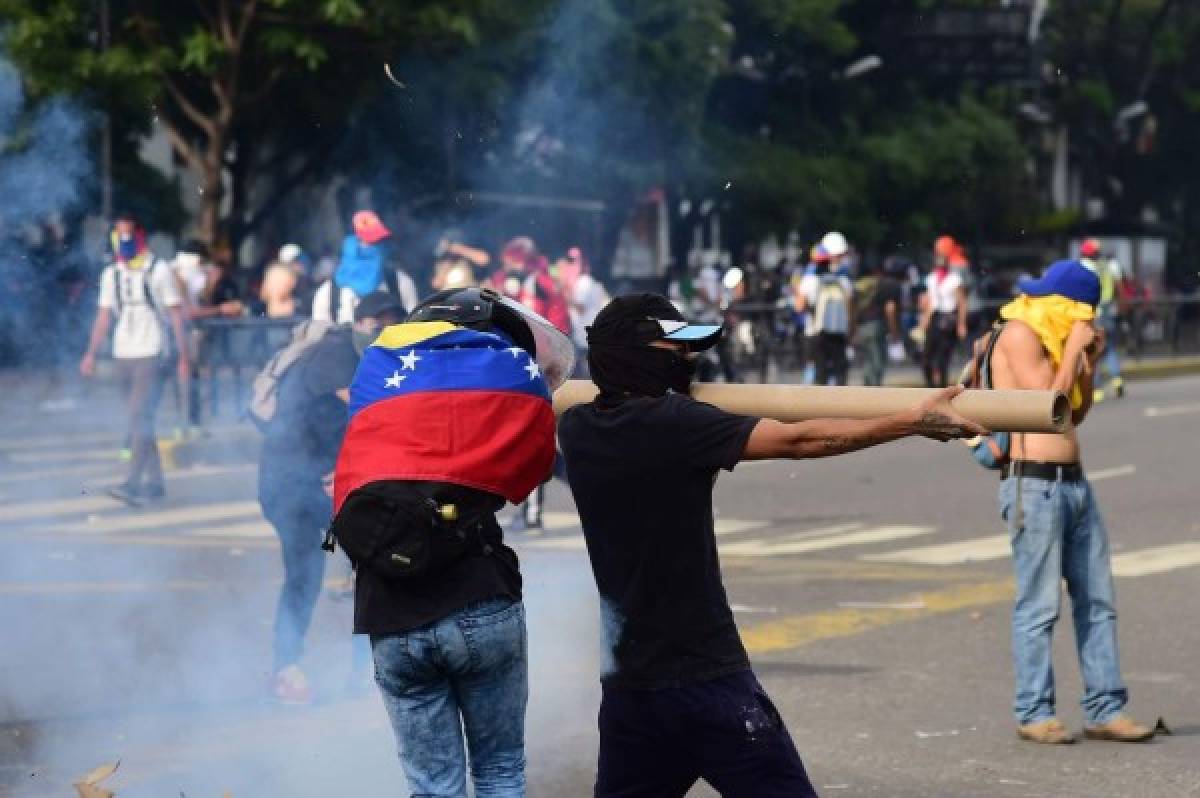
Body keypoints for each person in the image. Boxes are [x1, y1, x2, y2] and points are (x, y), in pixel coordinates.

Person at [558, 293, 986, 797]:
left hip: (630, 688)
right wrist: (910, 420)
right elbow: (799, 440)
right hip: (706, 680)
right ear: (635, 355)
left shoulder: (577, 428)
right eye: (673, 351)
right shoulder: (677, 424)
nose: (687, 362)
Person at [333, 287, 573, 796]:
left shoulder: (379, 372)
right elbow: (529, 476)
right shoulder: (503, 382)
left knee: (433, 788)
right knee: (500, 771)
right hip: (479, 601)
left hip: (389, 615)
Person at [990, 259, 1153, 745]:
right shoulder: (1019, 334)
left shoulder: (1057, 340)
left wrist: (1089, 361)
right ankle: (1033, 710)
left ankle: (1106, 708)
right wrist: (1072, 353)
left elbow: (1073, 414)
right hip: (1033, 484)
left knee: (1098, 601)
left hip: (1074, 483)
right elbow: (1045, 407)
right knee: (1039, 606)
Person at [258, 291, 407, 704]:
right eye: (378, 322)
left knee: (373, 565)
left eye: (394, 322)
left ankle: (368, 671)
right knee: (304, 573)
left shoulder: (369, 356)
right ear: (359, 323)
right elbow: (365, 414)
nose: (386, 330)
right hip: (291, 484)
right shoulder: (337, 356)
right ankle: (285, 667)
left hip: (330, 483)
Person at [80, 216, 189, 506]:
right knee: (141, 418)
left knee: (138, 416)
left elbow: (176, 314)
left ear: (141, 236)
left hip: (152, 352)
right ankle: (155, 483)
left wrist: (183, 356)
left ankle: (133, 482)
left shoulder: (159, 270)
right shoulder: (111, 274)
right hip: (122, 353)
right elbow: (104, 316)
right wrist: (91, 353)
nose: (123, 240)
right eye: (118, 234)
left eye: (128, 234)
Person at [312, 211, 419, 323]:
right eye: (369, 241)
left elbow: (413, 330)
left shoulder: (400, 284)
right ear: (351, 244)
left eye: (379, 241)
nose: (376, 247)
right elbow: (321, 336)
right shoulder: (328, 294)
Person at [795, 236, 854, 386]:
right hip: (839, 335)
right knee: (840, 375)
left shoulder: (810, 279)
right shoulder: (844, 281)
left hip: (815, 334)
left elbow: (799, 306)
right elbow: (850, 311)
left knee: (819, 377)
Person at [918, 235, 968, 387]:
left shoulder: (955, 279)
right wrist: (923, 319)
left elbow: (961, 302)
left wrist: (961, 324)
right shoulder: (931, 278)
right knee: (926, 357)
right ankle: (930, 386)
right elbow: (929, 301)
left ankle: (941, 387)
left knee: (942, 359)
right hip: (934, 316)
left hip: (948, 318)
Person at [1079, 238, 1125, 399]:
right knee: (1110, 347)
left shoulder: (1084, 266)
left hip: (1092, 314)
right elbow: (1119, 288)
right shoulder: (1109, 265)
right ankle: (1117, 379)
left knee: (1093, 350)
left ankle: (1097, 389)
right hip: (1108, 311)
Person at [557, 246, 610, 377]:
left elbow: (580, 306)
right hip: (587, 330)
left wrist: (562, 294)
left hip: (583, 330)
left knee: (584, 366)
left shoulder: (584, 282)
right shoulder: (595, 284)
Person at [853, 258, 902, 386]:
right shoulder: (889, 285)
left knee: (867, 360)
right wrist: (894, 331)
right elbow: (890, 309)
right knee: (878, 360)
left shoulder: (858, 285)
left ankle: (867, 389)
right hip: (877, 326)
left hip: (861, 326)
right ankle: (874, 392)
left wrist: (852, 329)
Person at [260, 243, 307, 319]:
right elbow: (282, 293)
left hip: (271, 314)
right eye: (297, 260)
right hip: (286, 316)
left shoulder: (271, 271)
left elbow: (263, 295)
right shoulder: (289, 275)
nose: (299, 263)